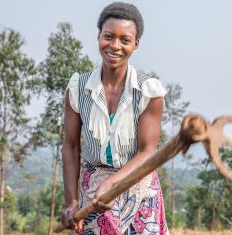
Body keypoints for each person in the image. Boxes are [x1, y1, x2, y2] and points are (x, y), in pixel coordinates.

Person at [61, 2, 169, 234]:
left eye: (125, 40)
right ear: (98, 36)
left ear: (136, 44)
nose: (115, 46)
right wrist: (71, 203)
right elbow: (70, 147)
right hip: (93, 195)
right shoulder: (77, 88)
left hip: (138, 188)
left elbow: (147, 151)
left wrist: (111, 184)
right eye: (108, 36)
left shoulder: (148, 92)